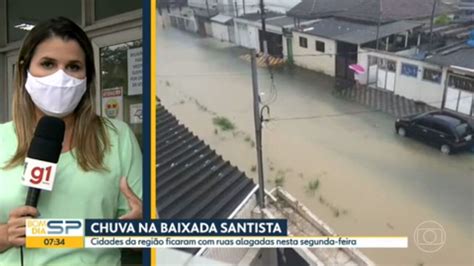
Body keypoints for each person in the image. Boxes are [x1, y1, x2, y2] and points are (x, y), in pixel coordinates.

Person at [0, 17, 143, 265]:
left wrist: (140, 230)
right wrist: (5, 236)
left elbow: (140, 229)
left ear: (87, 77)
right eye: (47, 64)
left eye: (74, 67)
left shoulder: (117, 137)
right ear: (24, 71)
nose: (61, 77)